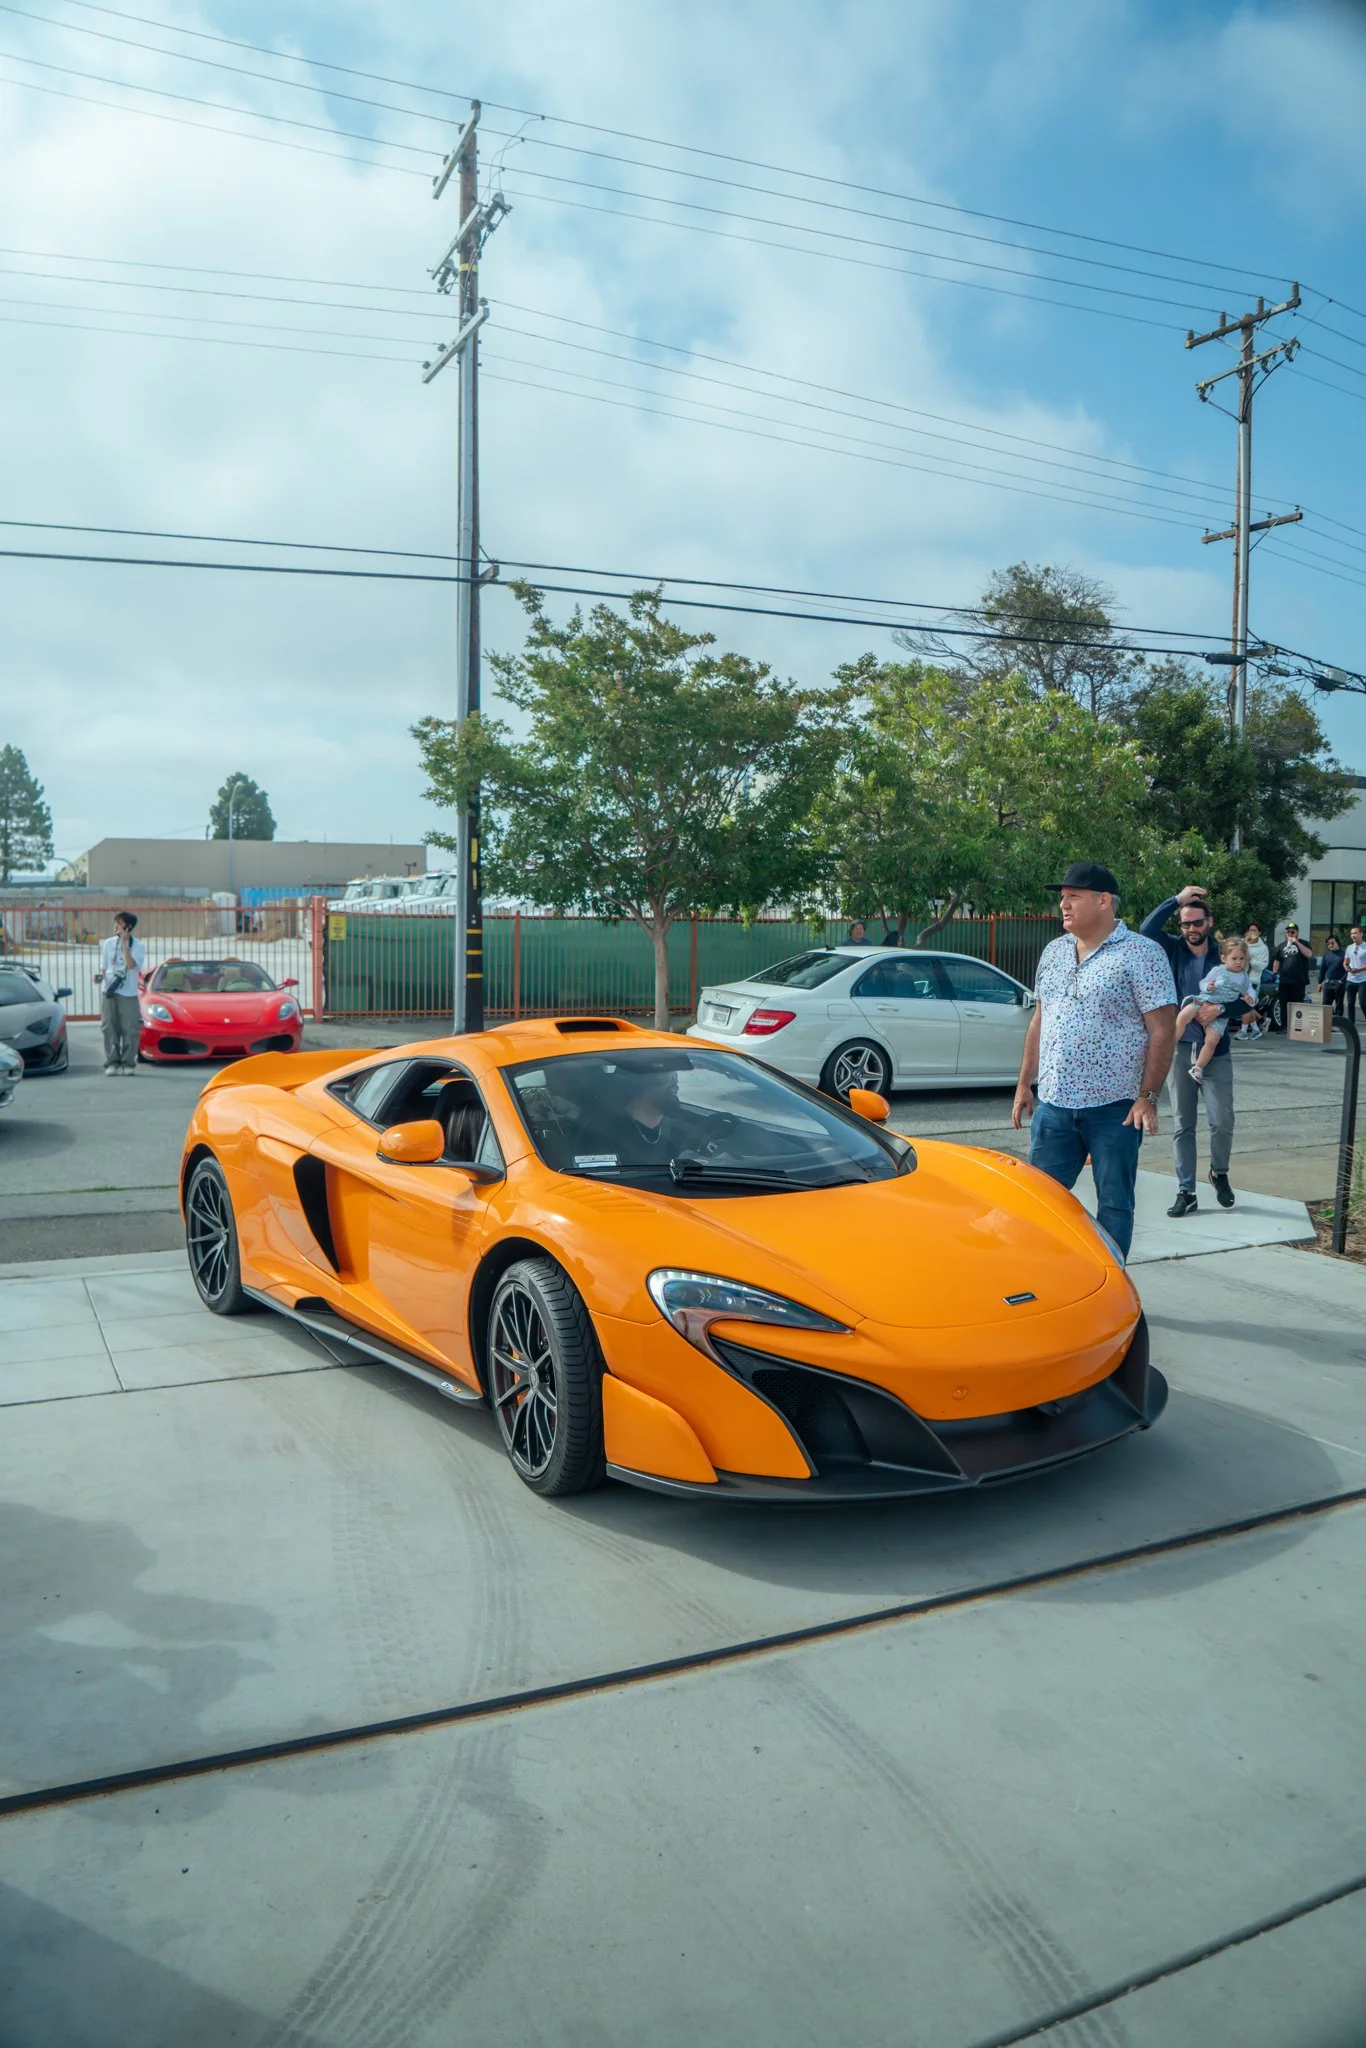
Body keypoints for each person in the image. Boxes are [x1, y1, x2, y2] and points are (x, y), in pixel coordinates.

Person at [1012, 861, 1175, 1263]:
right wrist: (1024, 1084)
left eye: (1074, 897)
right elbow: (1040, 1019)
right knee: (1041, 1201)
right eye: (1062, 898)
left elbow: (1163, 1031)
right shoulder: (1053, 951)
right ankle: (1050, 1280)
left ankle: (1111, 1286)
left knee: (1115, 1205)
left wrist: (1147, 1097)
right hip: (1053, 1105)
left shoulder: (1142, 954)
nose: (1063, 906)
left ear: (1104, 902)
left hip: (1115, 1108)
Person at [1140, 885, 1244, 1215]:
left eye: (1197, 923)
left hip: (1216, 1050)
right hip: (1182, 1049)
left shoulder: (1225, 955)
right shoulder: (1172, 949)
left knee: (1222, 1120)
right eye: (1185, 924)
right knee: (1184, 1123)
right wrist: (1177, 900)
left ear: (1209, 922)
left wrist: (1223, 1011)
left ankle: (1219, 1172)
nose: (1191, 930)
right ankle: (1187, 1191)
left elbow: (1248, 996)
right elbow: (1146, 930)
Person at [1175, 937, 1256, 1085]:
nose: (1238, 962)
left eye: (1242, 958)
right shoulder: (1218, 970)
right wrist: (1208, 987)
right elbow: (1203, 982)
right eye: (1234, 958)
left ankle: (1198, 1067)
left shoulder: (1245, 978)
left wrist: (1251, 999)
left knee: (1212, 1041)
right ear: (1224, 958)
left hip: (1220, 1016)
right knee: (1183, 1017)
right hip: (1204, 1000)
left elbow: (1250, 994)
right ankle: (1171, 1043)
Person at [96, 910, 145, 1076]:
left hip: (128, 993)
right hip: (109, 991)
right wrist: (100, 975)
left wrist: (124, 943)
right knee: (109, 1027)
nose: (115, 926)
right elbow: (104, 965)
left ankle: (128, 1063)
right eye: (115, 923)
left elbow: (131, 965)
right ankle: (112, 1062)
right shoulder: (108, 943)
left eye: (119, 923)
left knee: (130, 1029)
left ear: (128, 927)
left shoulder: (138, 946)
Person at [1269, 922, 1314, 1031]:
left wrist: (1296, 942)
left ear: (1297, 933)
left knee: (1298, 1004)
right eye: (1288, 932)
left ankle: (1298, 1026)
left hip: (1299, 980)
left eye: (1292, 932)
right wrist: (1274, 973)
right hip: (1284, 980)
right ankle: (1283, 1026)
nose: (1290, 933)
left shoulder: (1304, 943)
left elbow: (1309, 954)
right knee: (1283, 1003)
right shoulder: (1281, 946)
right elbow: (1277, 960)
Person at [1238, 923, 1271, 1040]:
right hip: (1241, 978)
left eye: (1255, 930)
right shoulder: (1243, 943)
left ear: (1259, 933)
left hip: (1253, 980)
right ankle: (1258, 1027)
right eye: (1250, 930)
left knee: (1245, 1005)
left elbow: (1262, 966)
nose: (1252, 932)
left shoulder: (1263, 948)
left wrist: (1251, 959)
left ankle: (1244, 1031)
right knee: (1246, 1005)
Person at [1319, 933, 1347, 1018]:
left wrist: (1342, 981)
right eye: (1328, 944)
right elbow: (1322, 970)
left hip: (1339, 982)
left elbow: (1348, 969)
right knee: (1326, 1004)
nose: (1330, 945)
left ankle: (1338, 1022)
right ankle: (1328, 1022)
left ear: (1337, 943)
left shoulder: (1344, 954)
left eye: (1332, 943)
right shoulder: (1326, 955)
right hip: (1328, 983)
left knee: (1339, 1004)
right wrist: (1320, 982)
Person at [1344, 924, 1366, 1023]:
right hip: (1351, 979)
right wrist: (1346, 966)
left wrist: (1359, 969)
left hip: (1363, 979)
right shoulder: (1349, 947)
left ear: (1361, 934)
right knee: (1350, 1003)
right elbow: (1346, 961)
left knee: (1363, 1002)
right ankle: (1351, 1022)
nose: (1353, 935)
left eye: (1355, 933)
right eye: (1352, 933)